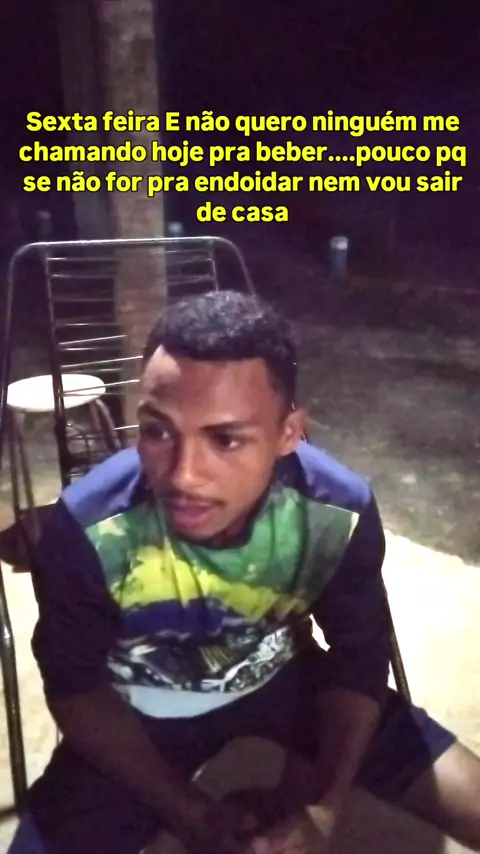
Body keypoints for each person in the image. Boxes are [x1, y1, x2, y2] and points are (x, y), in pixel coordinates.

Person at [8, 291, 480, 854]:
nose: (183, 475)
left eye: (225, 439)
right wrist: (191, 815)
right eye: (158, 431)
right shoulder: (89, 528)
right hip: (139, 705)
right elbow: (76, 687)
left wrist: (322, 807)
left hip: (286, 678)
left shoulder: (335, 510)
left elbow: (358, 657)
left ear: (288, 433)